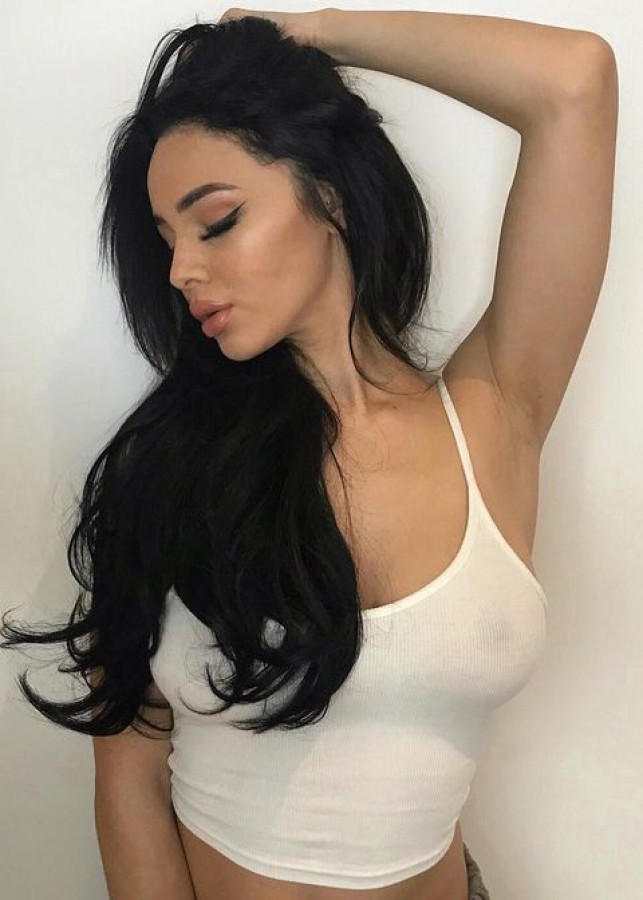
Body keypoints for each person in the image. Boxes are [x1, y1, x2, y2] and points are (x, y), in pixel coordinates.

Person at [0, 8, 618, 900]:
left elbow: (574, 84)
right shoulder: (168, 471)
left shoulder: (493, 412)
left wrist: (312, 33)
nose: (179, 271)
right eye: (166, 241)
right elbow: (128, 775)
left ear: (328, 193)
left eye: (215, 222)